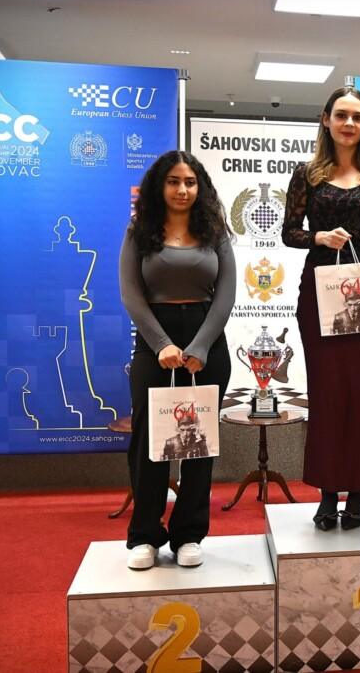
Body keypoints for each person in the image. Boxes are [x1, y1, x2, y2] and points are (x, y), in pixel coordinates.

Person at [283, 86, 360, 531]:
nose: (350, 124)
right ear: (326, 119)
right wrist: (319, 237)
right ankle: (328, 493)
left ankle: (359, 492)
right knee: (327, 395)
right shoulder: (307, 174)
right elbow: (289, 231)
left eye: (358, 117)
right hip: (319, 294)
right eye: (342, 115)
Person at [119, 150, 235, 570]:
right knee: (150, 442)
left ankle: (189, 533)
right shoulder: (139, 230)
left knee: (198, 442)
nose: (182, 189)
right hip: (155, 344)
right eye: (173, 181)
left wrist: (200, 347)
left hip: (207, 342)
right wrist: (161, 344)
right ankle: (145, 535)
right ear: (159, 186)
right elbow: (131, 293)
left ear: (199, 187)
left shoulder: (214, 230)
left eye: (190, 182)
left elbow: (226, 294)